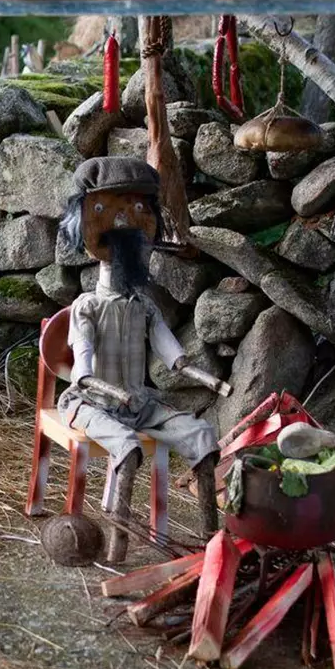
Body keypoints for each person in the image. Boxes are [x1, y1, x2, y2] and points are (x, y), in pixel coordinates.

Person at [57, 156, 229, 562]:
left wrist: (190, 369)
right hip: (91, 403)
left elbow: (168, 347)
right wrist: (96, 383)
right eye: (107, 210)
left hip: (138, 401)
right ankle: (118, 545)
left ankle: (212, 541)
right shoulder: (87, 307)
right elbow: (82, 363)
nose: (125, 221)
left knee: (203, 436)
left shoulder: (144, 307)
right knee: (127, 446)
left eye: (138, 208)